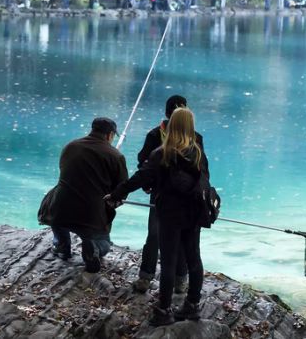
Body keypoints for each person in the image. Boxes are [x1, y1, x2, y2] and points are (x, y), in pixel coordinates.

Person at [106, 107, 210, 326]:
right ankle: (192, 306)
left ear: (171, 125)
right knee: (194, 259)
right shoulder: (198, 152)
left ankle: (164, 311)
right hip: (193, 214)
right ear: (191, 127)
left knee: (169, 262)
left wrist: (117, 193)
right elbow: (204, 183)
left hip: (170, 214)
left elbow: (141, 178)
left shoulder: (162, 154)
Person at [129, 95, 204, 294]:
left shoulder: (191, 139)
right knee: (167, 239)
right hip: (177, 199)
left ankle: (161, 281)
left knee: (157, 237)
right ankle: (163, 280)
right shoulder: (163, 136)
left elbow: (144, 163)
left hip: (165, 198)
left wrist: (140, 185)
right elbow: (144, 162)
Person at [38, 118, 128, 273]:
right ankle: (96, 248)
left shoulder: (70, 146)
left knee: (56, 193)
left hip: (60, 209)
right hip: (91, 214)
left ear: (92, 129)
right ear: (110, 135)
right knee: (105, 242)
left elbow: (65, 172)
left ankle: (62, 245)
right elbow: (122, 190)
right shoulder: (115, 156)